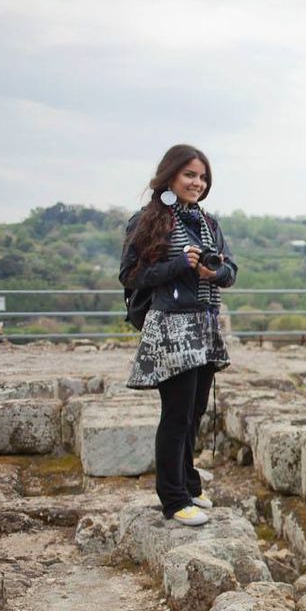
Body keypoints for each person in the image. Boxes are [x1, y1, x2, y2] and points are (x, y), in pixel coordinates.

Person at [121, 144, 236, 526]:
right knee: (176, 415)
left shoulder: (208, 222)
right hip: (171, 326)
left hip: (204, 324)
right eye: (190, 175)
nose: (197, 183)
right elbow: (131, 276)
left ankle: (189, 485)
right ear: (169, 175)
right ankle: (173, 500)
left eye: (202, 177)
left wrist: (212, 273)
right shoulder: (147, 220)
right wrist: (177, 265)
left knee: (194, 412)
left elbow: (230, 271)